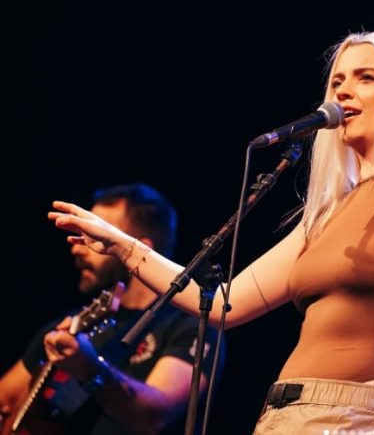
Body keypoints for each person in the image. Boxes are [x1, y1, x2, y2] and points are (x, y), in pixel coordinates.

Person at [47, 31, 374, 434]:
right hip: (284, 414)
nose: (343, 90)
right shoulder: (327, 212)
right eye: (337, 81)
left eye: (365, 78)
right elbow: (221, 306)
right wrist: (121, 243)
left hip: (365, 416)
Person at [0, 183, 224, 435]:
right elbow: (5, 399)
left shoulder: (190, 325)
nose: (76, 248)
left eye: (94, 236)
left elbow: (154, 417)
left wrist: (90, 369)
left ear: (140, 249)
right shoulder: (71, 324)